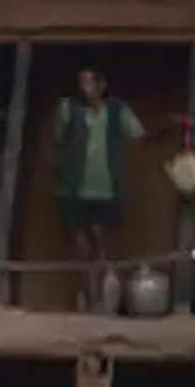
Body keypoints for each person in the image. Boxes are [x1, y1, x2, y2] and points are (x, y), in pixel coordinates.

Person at [53, 65, 144, 308]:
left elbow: (138, 135)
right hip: (73, 189)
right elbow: (59, 139)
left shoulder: (117, 110)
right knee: (82, 248)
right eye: (81, 83)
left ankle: (104, 301)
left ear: (102, 85)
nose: (85, 88)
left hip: (106, 189)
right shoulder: (68, 108)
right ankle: (90, 298)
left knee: (103, 246)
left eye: (89, 82)